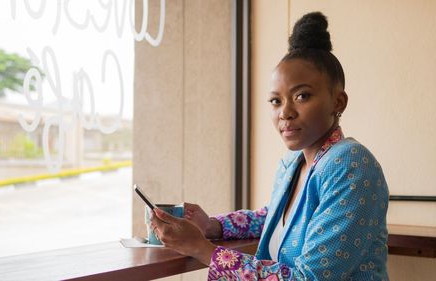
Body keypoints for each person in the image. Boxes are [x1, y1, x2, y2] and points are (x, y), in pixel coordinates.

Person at [150, 11, 389, 280]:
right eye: (276, 101)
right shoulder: (293, 163)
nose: (285, 112)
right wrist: (212, 226)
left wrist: (201, 248)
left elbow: (310, 278)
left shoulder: (351, 164)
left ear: (338, 102)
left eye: (302, 95)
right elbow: (275, 219)